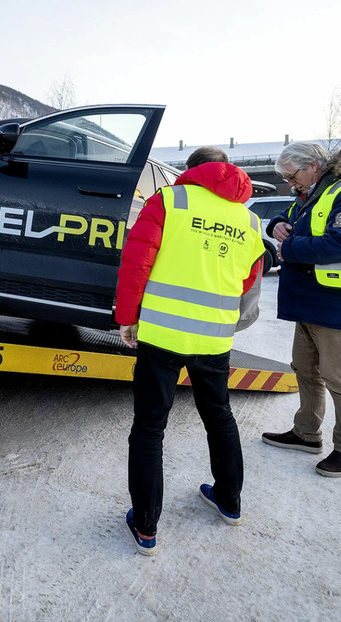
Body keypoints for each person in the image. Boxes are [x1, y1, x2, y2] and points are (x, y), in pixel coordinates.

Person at [116, 145, 263, 554]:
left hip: (162, 335)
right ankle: (229, 503)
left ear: (192, 170)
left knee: (149, 428)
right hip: (214, 339)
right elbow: (249, 279)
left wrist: (128, 316)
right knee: (219, 417)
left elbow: (136, 261)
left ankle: (146, 527)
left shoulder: (170, 200)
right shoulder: (249, 220)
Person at [261, 142, 341, 478]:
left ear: (312, 165)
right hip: (312, 300)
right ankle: (306, 433)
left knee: (340, 379)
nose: (290, 183)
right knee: (306, 369)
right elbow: (293, 217)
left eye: (291, 175)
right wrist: (277, 226)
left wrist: (290, 247)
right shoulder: (315, 192)